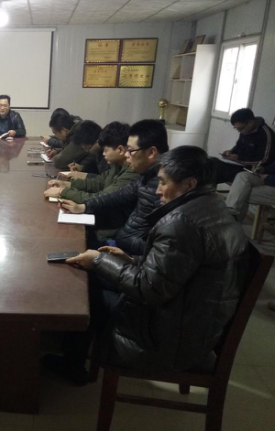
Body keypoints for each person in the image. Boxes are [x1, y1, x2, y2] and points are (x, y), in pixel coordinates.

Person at [53, 146, 249, 383]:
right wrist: (132, 259)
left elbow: (147, 289)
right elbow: (178, 270)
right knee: (91, 277)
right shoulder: (212, 206)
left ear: (189, 184)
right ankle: (72, 355)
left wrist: (99, 260)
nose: (157, 190)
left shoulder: (182, 223)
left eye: (163, 182)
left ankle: (73, 367)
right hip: (190, 322)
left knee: (86, 293)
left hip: (166, 337)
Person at [60, 119, 169, 255]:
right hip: (122, 247)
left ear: (151, 153)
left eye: (131, 150)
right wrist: (83, 206)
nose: (126, 155)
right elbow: (115, 196)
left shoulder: (163, 187)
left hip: (125, 251)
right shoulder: (146, 177)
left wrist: (106, 258)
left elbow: (158, 250)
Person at [45, 122, 139, 243]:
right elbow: (98, 182)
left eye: (105, 150)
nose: (103, 153)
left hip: (109, 231)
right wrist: (68, 184)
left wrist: (64, 192)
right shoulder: (117, 165)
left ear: (120, 149)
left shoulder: (132, 173)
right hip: (102, 222)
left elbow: (102, 197)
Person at [214, 108, 275, 183]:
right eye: (236, 129)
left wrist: (239, 159)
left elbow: (264, 160)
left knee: (218, 169)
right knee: (213, 162)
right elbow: (238, 146)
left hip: (253, 168)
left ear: (250, 122)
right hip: (239, 164)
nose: (239, 131)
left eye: (241, 128)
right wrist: (230, 152)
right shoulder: (245, 130)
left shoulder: (265, 134)